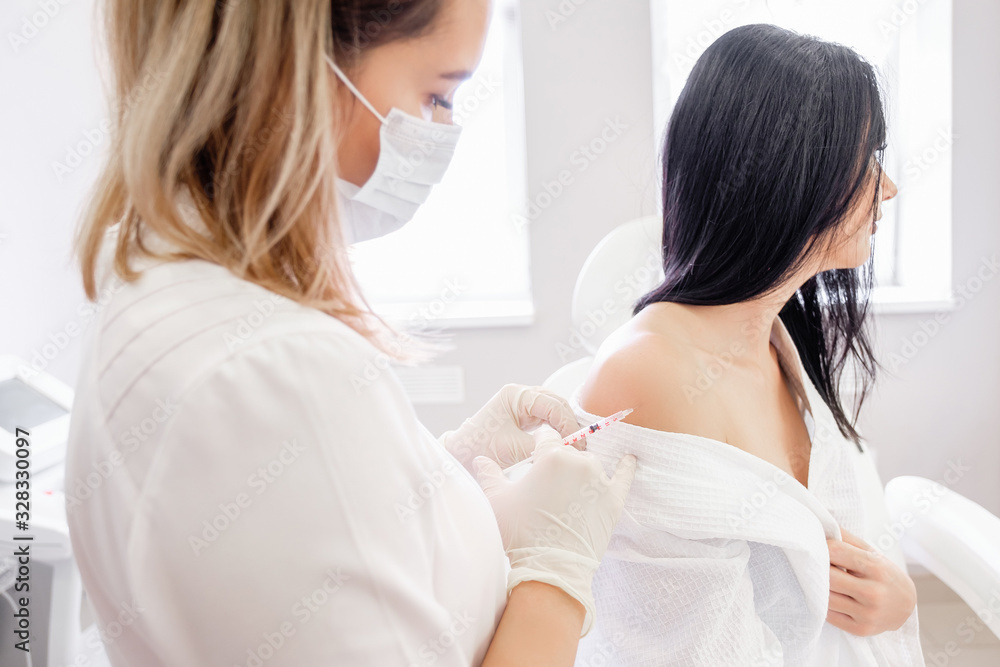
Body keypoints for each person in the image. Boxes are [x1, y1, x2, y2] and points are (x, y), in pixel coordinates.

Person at [65, 1, 635, 665]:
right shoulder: (273, 373)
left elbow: (317, 543)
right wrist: (555, 574)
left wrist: (441, 477)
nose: (444, 131)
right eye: (436, 95)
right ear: (296, 68)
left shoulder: (163, 276)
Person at [574, 24, 924, 666]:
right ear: (790, 173)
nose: (888, 188)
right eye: (868, 158)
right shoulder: (647, 375)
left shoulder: (778, 337)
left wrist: (895, 600)